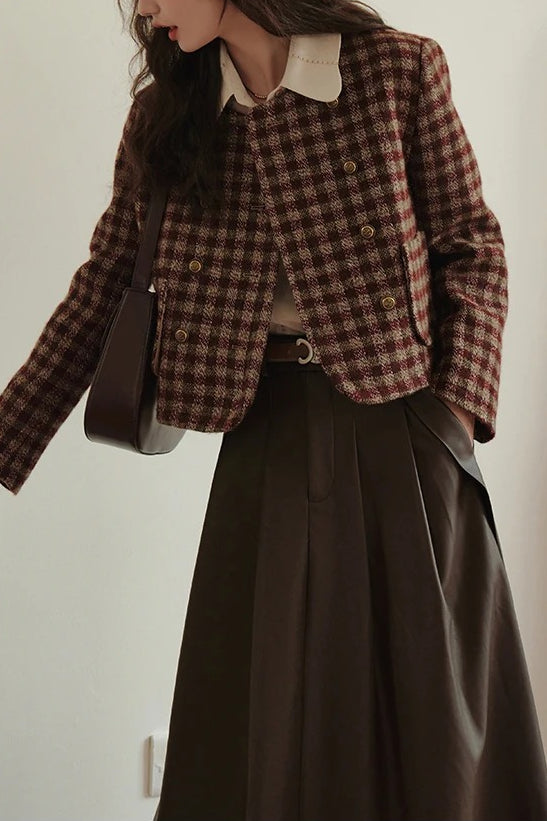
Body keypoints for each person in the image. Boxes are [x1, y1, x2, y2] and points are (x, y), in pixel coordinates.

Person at [1, 1, 546, 819]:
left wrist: (455, 416)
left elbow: (472, 248)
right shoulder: (167, 114)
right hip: (262, 431)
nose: (143, 9)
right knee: (256, 713)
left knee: (428, 715)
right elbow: (104, 289)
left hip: (403, 431)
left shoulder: (396, 72)